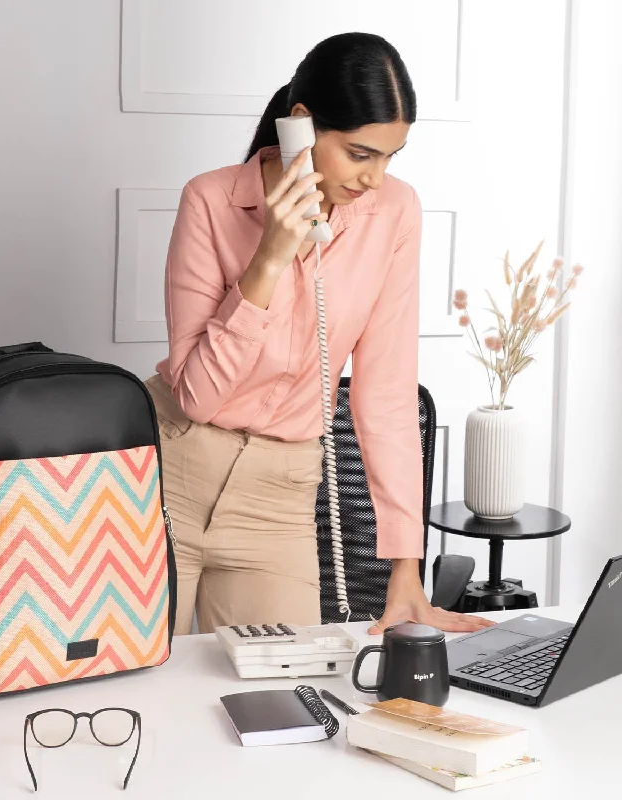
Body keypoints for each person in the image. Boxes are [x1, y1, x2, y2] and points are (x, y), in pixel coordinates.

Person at [144, 32, 495, 637]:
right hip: (168, 476)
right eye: (360, 154)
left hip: (278, 499)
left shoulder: (395, 214)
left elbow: (385, 398)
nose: (375, 179)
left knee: (281, 702)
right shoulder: (209, 200)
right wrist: (269, 259)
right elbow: (197, 396)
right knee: (139, 693)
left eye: (391, 157)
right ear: (301, 124)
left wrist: (405, 569)